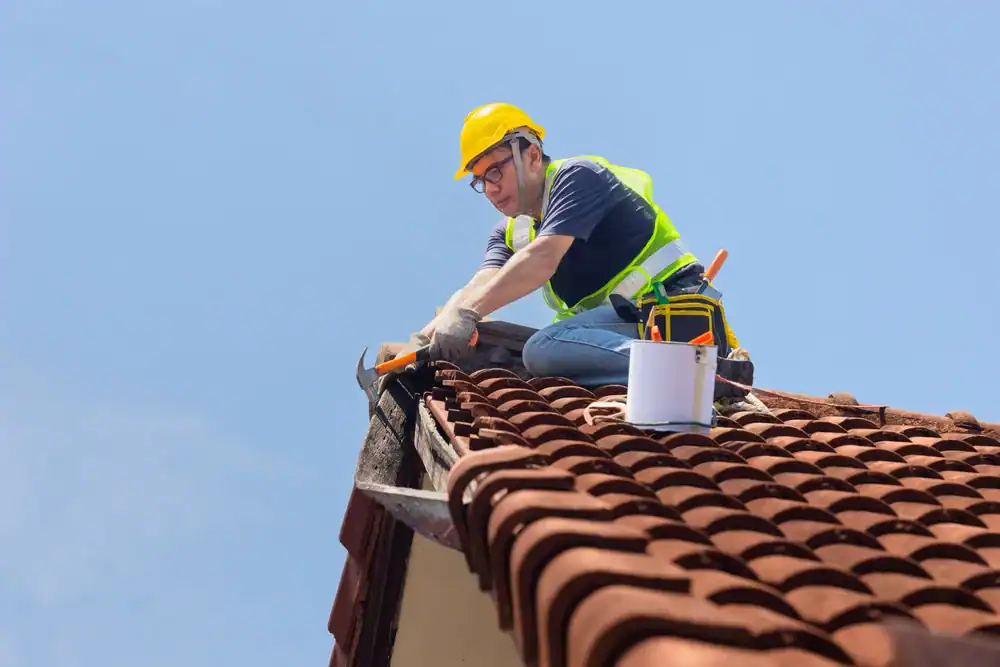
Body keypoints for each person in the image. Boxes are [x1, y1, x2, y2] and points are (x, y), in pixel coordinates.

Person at [384, 102, 730, 390]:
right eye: (479, 180)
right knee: (498, 346)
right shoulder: (511, 233)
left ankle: (693, 372)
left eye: (494, 172)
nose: (489, 188)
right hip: (626, 325)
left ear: (532, 156)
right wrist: (424, 339)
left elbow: (543, 258)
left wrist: (467, 314)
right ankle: (669, 372)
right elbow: (480, 285)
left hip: (674, 314)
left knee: (542, 350)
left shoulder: (577, 177)